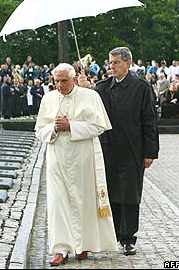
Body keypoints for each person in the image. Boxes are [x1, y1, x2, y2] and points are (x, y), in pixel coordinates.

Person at [35, 63, 118, 266]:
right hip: (57, 158)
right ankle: (61, 249)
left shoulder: (90, 97)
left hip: (83, 158)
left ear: (73, 79)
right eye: (56, 81)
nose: (60, 85)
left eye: (64, 81)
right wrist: (54, 128)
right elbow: (39, 130)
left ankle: (82, 245)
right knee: (58, 203)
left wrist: (71, 125)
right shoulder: (48, 98)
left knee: (84, 201)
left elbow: (99, 126)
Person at [94, 47, 159, 256]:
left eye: (116, 63)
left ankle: (129, 237)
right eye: (110, 63)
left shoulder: (141, 87)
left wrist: (150, 152)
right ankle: (113, 234)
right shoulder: (102, 88)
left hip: (133, 150)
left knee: (130, 195)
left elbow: (149, 121)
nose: (111, 67)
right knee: (112, 193)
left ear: (128, 63)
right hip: (108, 149)